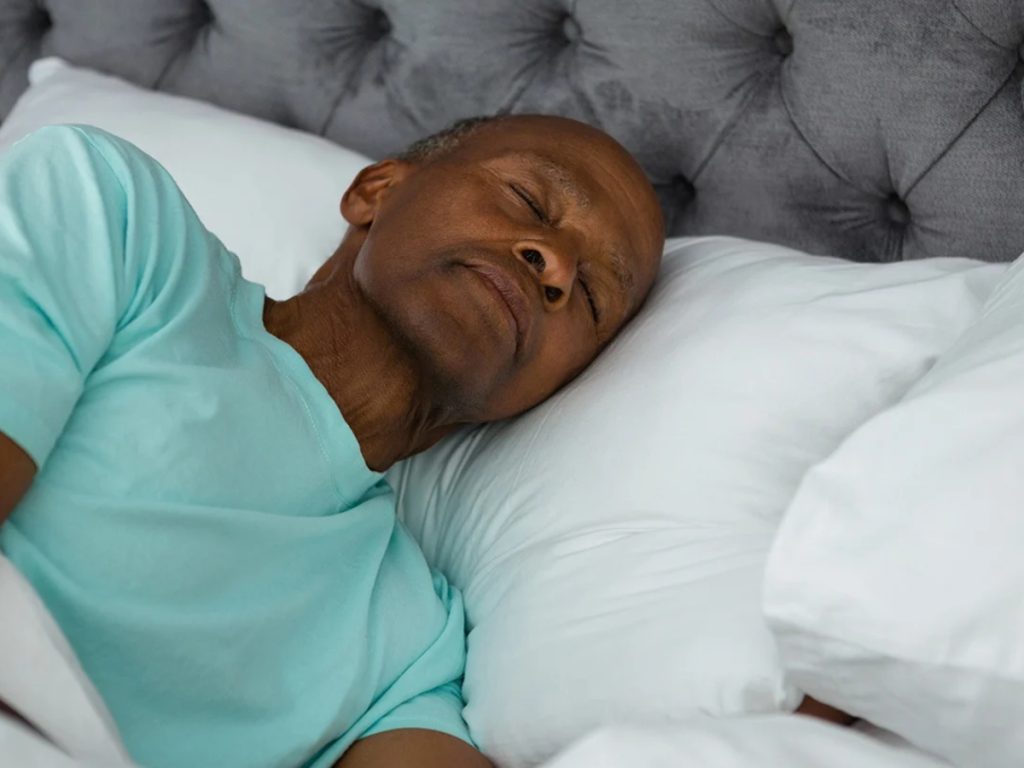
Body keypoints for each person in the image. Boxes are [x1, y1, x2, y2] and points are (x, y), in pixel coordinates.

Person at [0, 114, 664, 768]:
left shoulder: (409, 650)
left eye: (591, 297)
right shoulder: (117, 220)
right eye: (528, 200)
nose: (556, 266)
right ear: (376, 191)